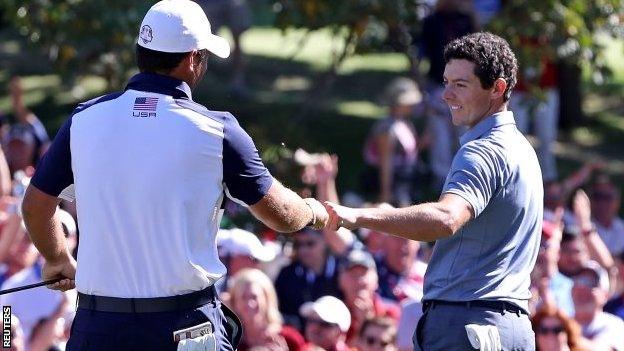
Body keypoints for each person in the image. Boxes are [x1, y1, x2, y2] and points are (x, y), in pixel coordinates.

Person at [20, 1, 329, 350]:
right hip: (185, 327)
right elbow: (283, 215)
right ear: (193, 59)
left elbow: (34, 206)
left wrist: (57, 258)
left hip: (100, 326)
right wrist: (313, 211)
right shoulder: (217, 130)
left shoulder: (82, 121)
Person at [325, 32, 542, 350]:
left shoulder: (482, 152)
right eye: (446, 81)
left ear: (497, 88)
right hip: (512, 329)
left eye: (461, 85)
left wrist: (358, 216)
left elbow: (446, 218)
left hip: (466, 325)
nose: (446, 95)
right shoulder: (523, 150)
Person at [362, 77, 422, 206]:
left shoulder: (405, 123)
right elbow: (385, 162)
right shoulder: (386, 128)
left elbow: (411, 151)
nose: (413, 106)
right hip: (390, 185)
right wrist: (386, 194)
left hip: (405, 183)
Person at [226, 268, 306, 351]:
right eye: (244, 297)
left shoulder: (289, 339)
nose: (250, 303)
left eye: (254, 297)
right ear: (234, 302)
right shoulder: (228, 342)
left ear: (267, 299)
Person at [571, 263, 624, 350]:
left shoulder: (615, 325)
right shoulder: (558, 323)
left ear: (606, 295)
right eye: (578, 281)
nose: (582, 288)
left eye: (591, 283)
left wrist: (561, 334)